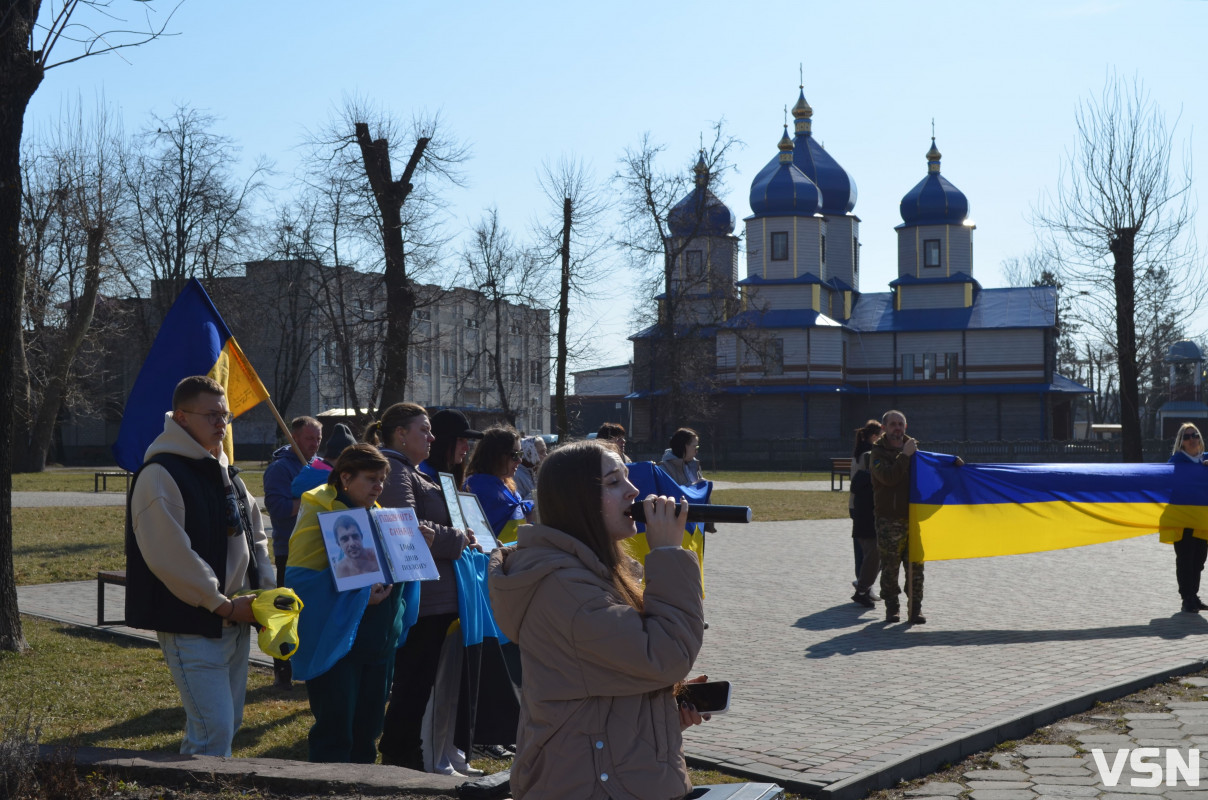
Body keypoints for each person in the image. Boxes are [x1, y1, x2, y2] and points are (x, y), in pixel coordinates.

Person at [488, 439, 708, 800]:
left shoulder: (590, 574)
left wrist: (663, 704)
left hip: (607, 777)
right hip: (591, 786)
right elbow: (665, 655)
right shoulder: (567, 590)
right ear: (577, 501)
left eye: (627, 477)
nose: (634, 491)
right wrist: (668, 553)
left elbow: (601, 683)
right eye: (614, 482)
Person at [125, 375, 275, 757]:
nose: (221, 424)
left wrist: (264, 592)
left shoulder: (226, 471)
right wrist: (220, 603)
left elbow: (255, 535)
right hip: (191, 623)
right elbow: (170, 556)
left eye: (225, 416)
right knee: (214, 732)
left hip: (236, 618)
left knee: (226, 726)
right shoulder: (160, 474)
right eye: (211, 415)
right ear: (181, 417)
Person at [287, 443, 420, 763]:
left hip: (377, 642)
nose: (379, 487)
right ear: (345, 477)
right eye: (371, 479)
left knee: (368, 730)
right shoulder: (321, 511)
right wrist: (361, 595)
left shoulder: (382, 517)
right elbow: (300, 583)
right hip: (339, 642)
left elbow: (396, 575)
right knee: (335, 731)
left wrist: (416, 547)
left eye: (383, 480)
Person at [369, 403, 478, 771]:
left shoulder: (411, 471)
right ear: (401, 434)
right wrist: (460, 537)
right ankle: (401, 756)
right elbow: (410, 528)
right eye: (424, 430)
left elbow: (431, 531)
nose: (432, 438)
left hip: (436, 595)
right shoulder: (396, 470)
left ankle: (409, 752)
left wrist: (448, 536)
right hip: (424, 597)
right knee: (414, 683)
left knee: (426, 682)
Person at [263, 415, 322, 687]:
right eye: (309, 438)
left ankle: (311, 669)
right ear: (294, 438)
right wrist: (313, 499)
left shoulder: (317, 466)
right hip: (290, 550)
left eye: (318, 439)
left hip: (317, 551)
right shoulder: (280, 469)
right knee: (286, 614)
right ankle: (282, 672)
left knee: (313, 612)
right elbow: (278, 509)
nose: (314, 444)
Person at [870, 410, 923, 624]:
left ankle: (915, 609)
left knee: (916, 568)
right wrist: (905, 456)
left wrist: (953, 466)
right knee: (890, 568)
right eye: (893, 424)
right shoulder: (876, 454)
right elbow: (889, 478)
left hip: (914, 519)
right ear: (884, 428)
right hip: (888, 520)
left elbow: (934, 472)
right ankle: (892, 608)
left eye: (901, 424)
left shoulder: (915, 450)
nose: (897, 428)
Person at [463, 425, 534, 544]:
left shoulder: (504, 481)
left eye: (520, 454)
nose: (520, 460)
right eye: (514, 454)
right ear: (495, 455)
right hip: (495, 558)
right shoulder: (479, 487)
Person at [1167, 422, 1208, 613]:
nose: (1192, 439)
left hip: (1201, 520)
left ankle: (1194, 595)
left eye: (1195, 436)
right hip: (1181, 519)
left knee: (1199, 559)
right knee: (1185, 558)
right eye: (1187, 437)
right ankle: (1187, 598)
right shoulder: (1176, 462)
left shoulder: (1206, 460)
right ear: (1181, 443)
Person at [849, 420, 883, 608]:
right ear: (873, 436)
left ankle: (863, 583)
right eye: (879, 436)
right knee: (869, 550)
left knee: (864, 549)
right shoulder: (868, 454)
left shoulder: (858, 451)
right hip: (862, 507)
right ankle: (864, 585)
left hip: (854, 505)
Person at [418, 408, 483, 486]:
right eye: (460, 440)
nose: (467, 448)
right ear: (442, 442)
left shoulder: (444, 474)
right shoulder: (422, 476)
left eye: (467, 440)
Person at [513, 436, 546, 501]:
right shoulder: (516, 475)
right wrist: (540, 491)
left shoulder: (534, 470)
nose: (546, 455)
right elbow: (518, 505)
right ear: (529, 453)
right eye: (542, 452)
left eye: (545, 451)